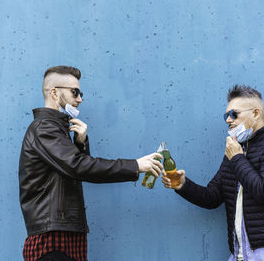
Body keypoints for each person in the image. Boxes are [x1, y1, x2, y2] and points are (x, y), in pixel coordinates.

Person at [19, 65, 163, 261]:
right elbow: (79, 167)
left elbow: (72, 170)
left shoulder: (57, 130)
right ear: (54, 93)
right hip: (52, 239)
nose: (80, 99)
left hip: (64, 235)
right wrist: (135, 165)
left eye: (80, 93)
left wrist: (80, 143)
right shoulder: (44, 128)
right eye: (74, 92)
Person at [162, 85, 264, 261]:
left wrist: (236, 157)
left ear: (256, 113)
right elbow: (212, 197)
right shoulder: (235, 151)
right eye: (226, 115)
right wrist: (182, 185)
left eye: (234, 114)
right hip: (240, 256)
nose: (228, 120)